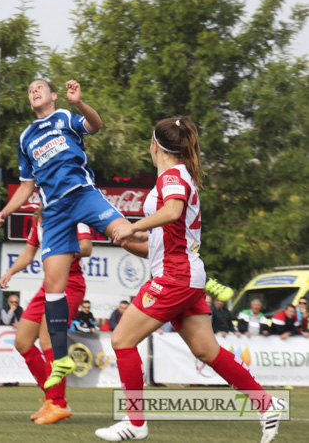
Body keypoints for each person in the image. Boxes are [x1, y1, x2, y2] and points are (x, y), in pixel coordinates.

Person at [96, 117, 280, 442]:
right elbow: (165, 241)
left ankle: (135, 423)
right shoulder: (176, 177)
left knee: (121, 340)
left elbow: (172, 212)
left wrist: (133, 226)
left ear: (155, 145)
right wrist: (132, 243)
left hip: (176, 277)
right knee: (208, 352)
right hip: (186, 276)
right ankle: (266, 405)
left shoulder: (171, 177)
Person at [0, 79, 138, 388]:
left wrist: (79, 103)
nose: (33, 90)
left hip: (82, 194)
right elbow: (27, 186)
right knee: (53, 286)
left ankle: (177, 254)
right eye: (29, 88)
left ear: (53, 95)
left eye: (40, 87)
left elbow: (96, 125)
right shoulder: (26, 137)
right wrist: (6, 211)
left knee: (127, 234)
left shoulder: (65, 118)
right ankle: (61, 359)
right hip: (54, 210)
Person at [0, 209, 92, 425]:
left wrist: (57, 252)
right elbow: (28, 254)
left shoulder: (74, 212)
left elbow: (86, 247)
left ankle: (58, 403)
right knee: (22, 342)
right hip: (48, 285)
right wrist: (10, 272)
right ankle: (52, 399)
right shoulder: (38, 220)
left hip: (71, 284)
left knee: (48, 338)